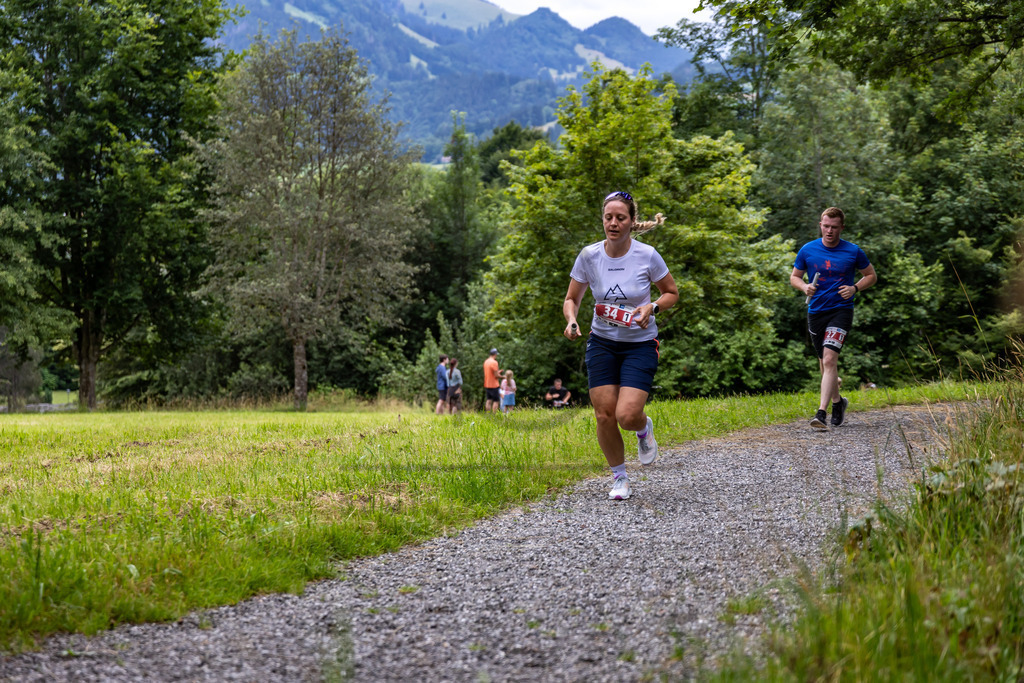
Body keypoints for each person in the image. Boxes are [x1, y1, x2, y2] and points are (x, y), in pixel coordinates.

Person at [563, 190, 679, 501]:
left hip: (639, 344)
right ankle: (619, 478)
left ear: (631, 222)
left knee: (626, 416)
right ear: (603, 220)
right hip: (601, 342)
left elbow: (671, 293)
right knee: (604, 414)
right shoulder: (589, 256)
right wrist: (572, 320)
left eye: (620, 218)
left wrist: (652, 307)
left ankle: (643, 428)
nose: (613, 223)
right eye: (608, 217)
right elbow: (572, 298)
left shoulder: (647, 255)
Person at [790, 207, 877, 430]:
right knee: (824, 363)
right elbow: (795, 277)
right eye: (826, 226)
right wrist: (805, 287)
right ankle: (838, 403)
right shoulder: (808, 250)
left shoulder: (853, 251)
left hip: (841, 310)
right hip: (816, 311)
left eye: (834, 227)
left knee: (829, 360)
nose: (829, 231)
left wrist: (855, 288)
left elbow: (871, 276)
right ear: (820, 225)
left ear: (841, 228)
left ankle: (821, 413)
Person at [483, 348, 501, 413]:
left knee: (488, 400)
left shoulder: (486, 362)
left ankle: (488, 414)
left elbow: (490, 373)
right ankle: (494, 415)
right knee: (496, 401)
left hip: (487, 384)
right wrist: (503, 377)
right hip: (494, 385)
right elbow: (496, 375)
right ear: (495, 354)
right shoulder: (494, 362)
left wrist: (498, 372)